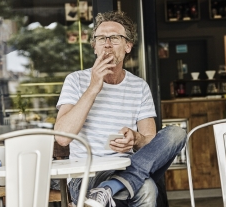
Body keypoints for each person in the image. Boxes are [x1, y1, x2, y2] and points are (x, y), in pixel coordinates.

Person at [54, 11, 187, 207]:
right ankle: (113, 187)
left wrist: (136, 139)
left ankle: (111, 188)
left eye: (114, 38)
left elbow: (149, 140)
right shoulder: (76, 80)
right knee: (147, 187)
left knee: (176, 133)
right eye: (101, 38)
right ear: (94, 47)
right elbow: (63, 137)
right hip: (85, 176)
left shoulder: (139, 86)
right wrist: (93, 88)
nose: (107, 43)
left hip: (125, 167)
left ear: (128, 46)